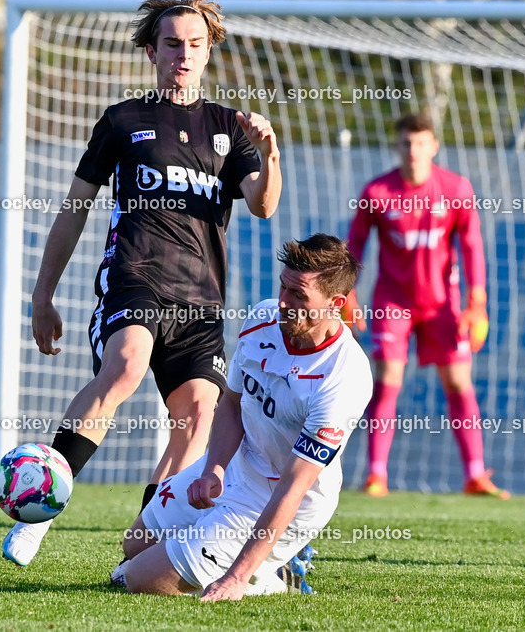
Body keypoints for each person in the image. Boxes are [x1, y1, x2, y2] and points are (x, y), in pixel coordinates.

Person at [2, 0, 282, 567]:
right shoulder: (123, 120)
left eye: (195, 45)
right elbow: (74, 208)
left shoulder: (229, 127)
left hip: (202, 302)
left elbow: (262, 206)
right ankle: (40, 510)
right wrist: (42, 295)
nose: (184, 54)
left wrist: (270, 153)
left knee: (199, 417)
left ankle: (141, 545)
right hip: (136, 280)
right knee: (126, 364)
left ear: (209, 53)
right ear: (152, 51)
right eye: (172, 43)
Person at [113, 234, 372, 600]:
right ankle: (235, 554)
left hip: (284, 498)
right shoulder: (262, 319)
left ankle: (265, 577)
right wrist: (213, 469)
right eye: (283, 287)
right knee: (133, 546)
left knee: (136, 581)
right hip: (237, 467)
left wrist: (237, 576)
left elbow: (293, 487)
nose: (283, 303)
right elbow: (232, 404)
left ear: (336, 304)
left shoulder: (344, 377)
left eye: (299, 295)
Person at [344, 112, 508, 499]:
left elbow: (471, 245)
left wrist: (477, 300)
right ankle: (376, 475)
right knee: (388, 382)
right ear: (397, 146)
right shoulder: (377, 193)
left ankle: (474, 475)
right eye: (406, 143)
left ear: (434, 146)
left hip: (442, 303)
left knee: (458, 381)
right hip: (393, 301)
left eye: (421, 143)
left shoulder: (455, 189)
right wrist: (347, 292)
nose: (413, 151)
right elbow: (355, 245)